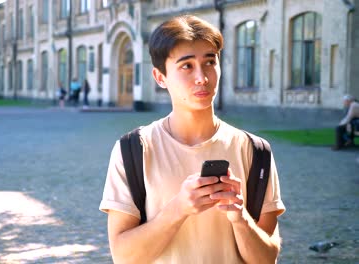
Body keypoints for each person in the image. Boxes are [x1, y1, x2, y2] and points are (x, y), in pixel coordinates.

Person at [99, 15, 285, 263]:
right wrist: (178, 209)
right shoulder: (133, 150)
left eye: (210, 62)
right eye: (187, 66)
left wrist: (240, 218)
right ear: (160, 77)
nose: (202, 77)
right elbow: (123, 257)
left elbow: (267, 259)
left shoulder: (255, 150)